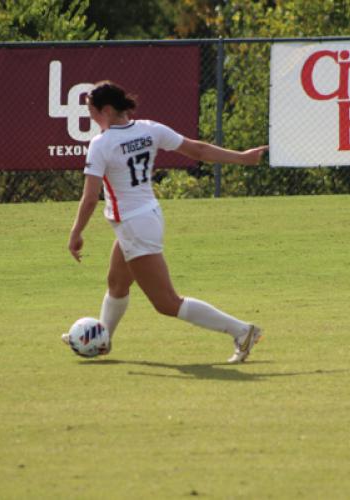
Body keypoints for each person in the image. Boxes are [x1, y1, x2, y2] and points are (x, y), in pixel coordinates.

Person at [62, 81, 268, 363]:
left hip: (134, 225)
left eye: (91, 111)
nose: (90, 117)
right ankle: (101, 341)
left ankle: (243, 331)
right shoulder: (150, 128)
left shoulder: (102, 144)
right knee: (117, 284)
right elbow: (199, 150)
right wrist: (242, 158)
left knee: (167, 303)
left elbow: (89, 198)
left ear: (107, 110)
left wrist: (76, 232)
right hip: (146, 217)